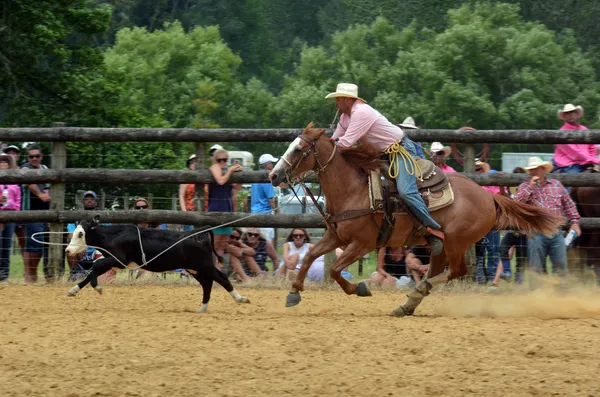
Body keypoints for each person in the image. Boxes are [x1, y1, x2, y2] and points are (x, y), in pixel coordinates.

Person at [326, 83, 445, 255]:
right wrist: (326, 145)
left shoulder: (361, 113)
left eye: (338, 99)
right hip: (383, 154)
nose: (336, 103)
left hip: (400, 151)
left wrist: (325, 150)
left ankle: (432, 228)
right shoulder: (346, 116)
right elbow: (335, 139)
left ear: (347, 99)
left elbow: (345, 143)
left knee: (406, 191)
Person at [515, 157, 581, 277]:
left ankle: (559, 293)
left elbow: (569, 204)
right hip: (536, 232)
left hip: (556, 231)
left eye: (536, 169)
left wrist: (575, 222)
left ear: (543, 170)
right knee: (536, 268)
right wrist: (530, 188)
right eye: (531, 170)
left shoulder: (556, 185)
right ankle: (537, 293)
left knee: (560, 266)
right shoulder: (524, 187)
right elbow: (517, 205)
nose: (533, 172)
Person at [66, 191, 115, 282]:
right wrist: (82, 245)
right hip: (81, 250)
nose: (89, 201)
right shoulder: (76, 219)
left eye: (92, 199)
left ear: (96, 202)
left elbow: (109, 236)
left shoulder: (103, 218)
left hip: (98, 250)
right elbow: (71, 236)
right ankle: (75, 272)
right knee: (70, 248)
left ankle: (99, 274)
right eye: (86, 199)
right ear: (82, 201)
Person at [21, 144, 51, 283]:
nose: (34, 158)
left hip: (45, 211)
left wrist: (47, 193)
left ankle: (32, 275)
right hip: (31, 210)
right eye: (31, 156)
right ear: (28, 157)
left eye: (37, 156)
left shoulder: (45, 168)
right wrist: (40, 194)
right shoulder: (25, 168)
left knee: (37, 244)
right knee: (34, 243)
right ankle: (29, 275)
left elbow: (50, 186)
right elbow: (29, 183)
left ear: (41, 157)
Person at [473, 159, 505, 284]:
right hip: (477, 222)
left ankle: (491, 277)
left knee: (492, 250)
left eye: (479, 168)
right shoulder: (471, 183)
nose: (478, 171)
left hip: (491, 220)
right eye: (475, 169)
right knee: (479, 252)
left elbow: (499, 197)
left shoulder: (491, 179)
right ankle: (481, 277)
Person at [208, 149, 243, 261]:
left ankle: (218, 273)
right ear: (215, 160)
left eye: (225, 160)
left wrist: (239, 174)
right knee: (213, 245)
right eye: (220, 160)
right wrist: (231, 170)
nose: (222, 162)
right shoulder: (215, 167)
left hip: (227, 211)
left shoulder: (228, 171)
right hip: (215, 210)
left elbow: (237, 187)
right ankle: (210, 271)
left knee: (221, 247)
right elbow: (220, 181)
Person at [553, 104, 599, 174]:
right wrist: (593, 160)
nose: (570, 115)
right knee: (573, 178)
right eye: (567, 113)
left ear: (576, 114)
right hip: (569, 163)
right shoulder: (561, 132)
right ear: (564, 116)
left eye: (572, 112)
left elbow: (592, 146)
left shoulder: (584, 129)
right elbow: (574, 153)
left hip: (585, 161)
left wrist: (591, 159)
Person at [0, 154, 21, 282]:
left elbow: (18, 200)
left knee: (7, 245)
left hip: (11, 216)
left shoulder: (14, 183)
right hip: (0, 215)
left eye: (5, 162)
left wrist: (17, 215)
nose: (3, 164)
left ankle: (4, 274)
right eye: (0, 162)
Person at [251, 154, 279, 247]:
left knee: (256, 244)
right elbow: (271, 199)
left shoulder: (255, 176)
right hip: (265, 214)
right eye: (271, 163)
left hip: (254, 212)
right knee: (267, 245)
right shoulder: (266, 177)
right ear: (267, 164)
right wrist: (277, 212)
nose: (273, 165)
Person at [179, 154, 197, 232]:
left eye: (196, 161)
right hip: (189, 212)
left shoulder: (205, 177)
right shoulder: (186, 178)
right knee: (190, 237)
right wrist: (184, 212)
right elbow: (181, 195)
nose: (194, 163)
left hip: (203, 212)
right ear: (189, 165)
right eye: (192, 162)